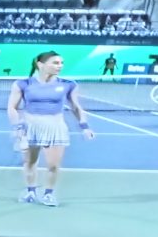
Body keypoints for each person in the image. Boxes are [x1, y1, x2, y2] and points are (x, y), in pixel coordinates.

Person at [7, 51, 94, 207]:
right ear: (40, 64)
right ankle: (30, 191)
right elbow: (12, 107)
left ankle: (48, 194)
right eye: (55, 63)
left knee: (53, 165)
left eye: (61, 63)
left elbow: (76, 107)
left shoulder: (68, 84)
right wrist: (18, 126)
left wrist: (84, 126)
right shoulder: (23, 84)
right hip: (30, 126)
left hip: (56, 127)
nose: (60, 66)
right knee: (30, 162)